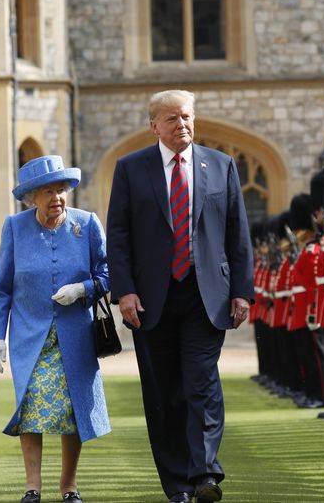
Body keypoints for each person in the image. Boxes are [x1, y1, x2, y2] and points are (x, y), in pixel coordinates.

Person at [106, 90, 254, 503]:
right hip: (152, 299)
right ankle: (177, 486)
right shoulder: (131, 169)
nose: (181, 124)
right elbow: (117, 236)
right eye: (171, 119)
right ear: (154, 125)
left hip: (206, 296)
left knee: (202, 384)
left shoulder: (221, 166)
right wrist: (125, 292)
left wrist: (242, 291)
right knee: (163, 392)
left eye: (186, 116)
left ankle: (205, 473)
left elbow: (236, 233)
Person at [0, 155, 110, 503]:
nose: (57, 197)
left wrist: (82, 289)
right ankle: (32, 486)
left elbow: (107, 274)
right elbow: (2, 288)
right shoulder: (14, 227)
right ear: (32, 198)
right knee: (32, 408)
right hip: (30, 337)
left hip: (75, 336)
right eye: (48, 191)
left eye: (61, 190)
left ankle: (68, 486)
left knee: (71, 410)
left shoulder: (86, 224)